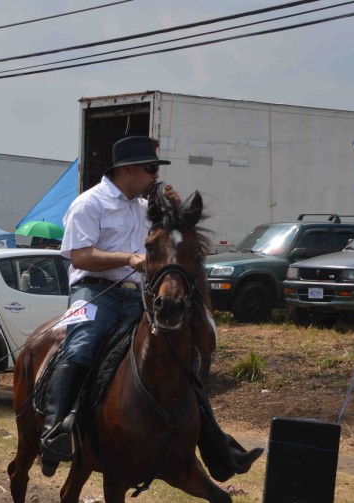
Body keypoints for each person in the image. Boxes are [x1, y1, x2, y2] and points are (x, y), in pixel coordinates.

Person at [39, 135, 261, 479]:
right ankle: (55, 432)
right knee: (82, 347)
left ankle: (216, 445)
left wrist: (173, 212)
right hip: (93, 292)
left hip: (138, 295)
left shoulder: (144, 209)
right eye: (151, 168)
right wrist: (128, 258)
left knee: (180, 358)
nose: (155, 175)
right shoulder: (89, 204)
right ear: (128, 169)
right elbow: (80, 256)